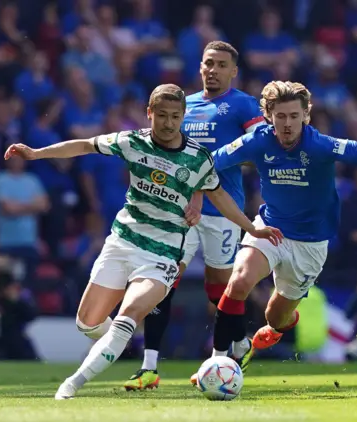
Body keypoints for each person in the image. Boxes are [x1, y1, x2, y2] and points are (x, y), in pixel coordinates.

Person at [3, 84, 282, 400]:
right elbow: (83, 146)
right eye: (161, 115)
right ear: (149, 114)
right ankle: (118, 343)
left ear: (183, 117)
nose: (168, 122)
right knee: (87, 324)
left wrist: (252, 228)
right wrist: (37, 153)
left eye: (175, 116)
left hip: (161, 255)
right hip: (122, 244)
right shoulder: (132, 141)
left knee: (128, 314)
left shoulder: (197, 159)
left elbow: (221, 198)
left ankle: (72, 384)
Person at [189, 80, 357, 384]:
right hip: (270, 229)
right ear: (268, 115)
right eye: (281, 116)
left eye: (294, 116)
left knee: (275, 318)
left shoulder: (320, 145)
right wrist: (195, 189)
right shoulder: (256, 141)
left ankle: (283, 322)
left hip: (310, 245)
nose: (288, 123)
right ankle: (218, 362)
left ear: (306, 114)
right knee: (238, 282)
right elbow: (210, 163)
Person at [124, 41, 266, 391]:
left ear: (234, 71)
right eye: (208, 63)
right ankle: (149, 367)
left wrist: (213, 168)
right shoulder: (185, 107)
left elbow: (261, 149)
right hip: (179, 211)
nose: (213, 70)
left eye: (220, 64)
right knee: (163, 281)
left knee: (220, 292)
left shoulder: (243, 105)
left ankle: (226, 355)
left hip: (222, 211)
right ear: (200, 67)